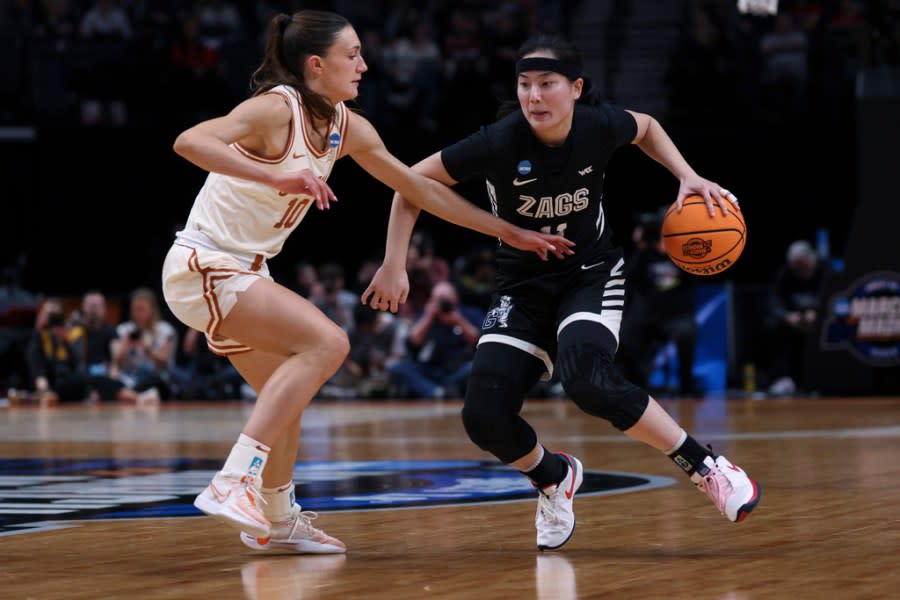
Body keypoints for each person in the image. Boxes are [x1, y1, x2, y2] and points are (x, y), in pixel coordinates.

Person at [161, 9, 571, 556]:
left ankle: (277, 519)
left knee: (283, 397)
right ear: (316, 64)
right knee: (329, 342)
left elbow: (419, 189)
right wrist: (275, 173)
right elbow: (189, 141)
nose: (364, 64)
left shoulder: (345, 127)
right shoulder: (273, 109)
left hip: (244, 270)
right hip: (203, 265)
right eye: (351, 55)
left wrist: (506, 231)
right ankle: (233, 481)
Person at [364, 33, 761, 551]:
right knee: (483, 415)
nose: (533, 96)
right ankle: (553, 476)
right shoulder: (500, 141)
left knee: (587, 379)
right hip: (522, 286)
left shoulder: (597, 125)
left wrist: (687, 176)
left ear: (575, 88)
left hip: (588, 273)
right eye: (525, 84)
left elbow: (647, 128)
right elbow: (411, 182)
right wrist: (395, 263)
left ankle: (706, 465)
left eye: (547, 84)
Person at [618, 215, 699, 396]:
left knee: (686, 332)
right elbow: (628, 278)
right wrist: (641, 247)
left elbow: (692, 280)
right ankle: (636, 385)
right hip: (648, 316)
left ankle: (686, 386)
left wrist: (671, 249)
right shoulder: (644, 254)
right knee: (624, 336)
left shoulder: (683, 252)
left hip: (676, 316)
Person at [765, 239, 829, 396]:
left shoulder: (825, 270)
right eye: (796, 267)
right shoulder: (785, 274)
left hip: (821, 320)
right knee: (773, 326)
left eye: (803, 265)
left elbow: (835, 297)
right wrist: (787, 316)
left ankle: (820, 379)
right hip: (793, 321)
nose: (800, 271)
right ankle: (784, 379)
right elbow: (773, 302)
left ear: (811, 259)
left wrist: (818, 312)